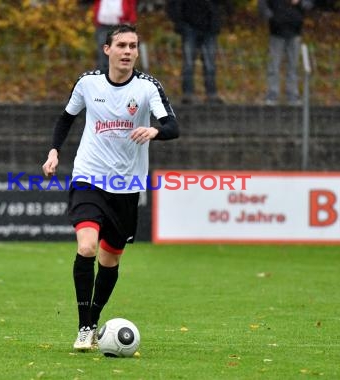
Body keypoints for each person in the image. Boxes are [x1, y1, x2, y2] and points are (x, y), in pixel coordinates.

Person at [41, 24, 179, 351]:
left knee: (109, 260)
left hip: (126, 186)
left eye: (133, 45)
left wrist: (154, 131)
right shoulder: (88, 83)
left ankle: (95, 316)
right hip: (89, 177)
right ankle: (84, 326)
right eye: (122, 45)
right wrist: (54, 150)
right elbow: (66, 118)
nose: (128, 51)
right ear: (108, 50)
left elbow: (172, 125)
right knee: (87, 247)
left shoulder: (147, 88)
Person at [166, 0, 230, 104]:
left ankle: (211, 94)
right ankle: (188, 93)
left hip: (209, 26)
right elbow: (172, 5)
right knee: (189, 63)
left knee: (210, 64)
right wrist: (179, 23)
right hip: (189, 26)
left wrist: (219, 19)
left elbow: (224, 5)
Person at [258, 0, 313, 106]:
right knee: (274, 64)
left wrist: (300, 2)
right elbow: (262, 4)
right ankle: (272, 94)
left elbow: (309, 4)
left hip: (295, 29)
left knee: (293, 65)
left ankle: (292, 94)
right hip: (276, 30)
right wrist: (271, 18)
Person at [91, 0, 138, 72]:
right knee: (102, 49)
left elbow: (131, 5)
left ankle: (121, 73)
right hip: (103, 25)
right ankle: (102, 72)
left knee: (121, 49)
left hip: (120, 24)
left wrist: (130, 20)